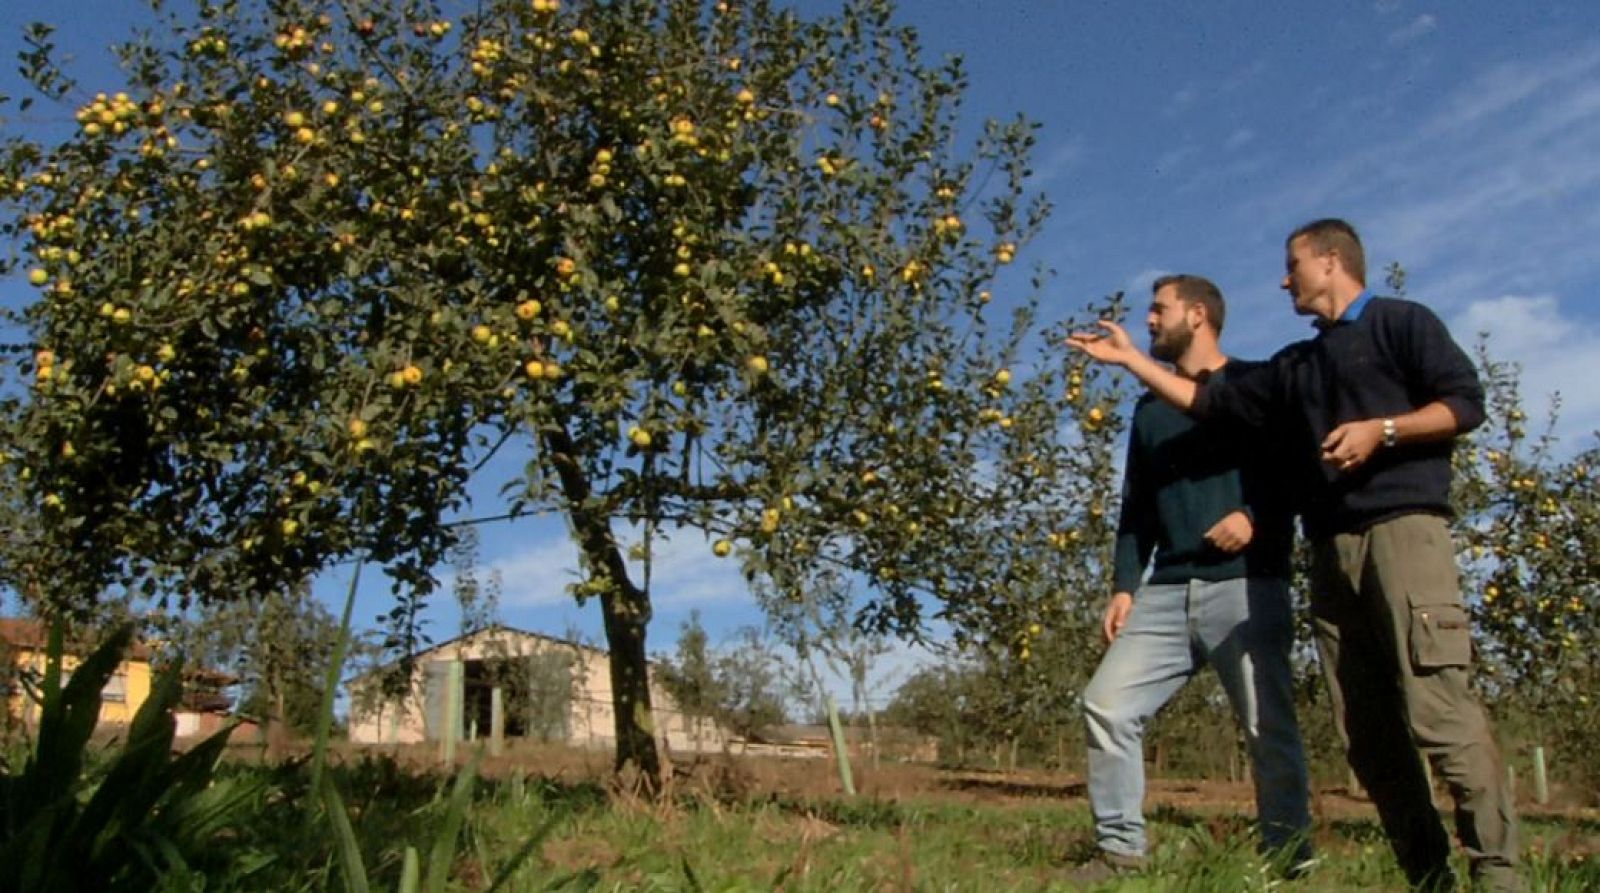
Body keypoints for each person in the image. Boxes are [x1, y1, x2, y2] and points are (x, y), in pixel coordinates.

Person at [1068, 219, 1520, 892]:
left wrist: (1382, 430)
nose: (1283, 279)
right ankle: (1431, 878)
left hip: (1402, 532)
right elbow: (1209, 400)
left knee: (1439, 712)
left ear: (1331, 261)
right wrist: (1133, 361)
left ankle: (1501, 876)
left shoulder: (1400, 323)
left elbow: (1464, 402)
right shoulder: (1297, 367)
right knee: (1365, 734)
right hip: (1328, 550)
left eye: (1292, 265)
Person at [1068, 274, 1313, 882]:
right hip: (1168, 588)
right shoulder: (1150, 411)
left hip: (1245, 582)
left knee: (1267, 726)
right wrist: (1125, 584)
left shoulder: (1255, 385)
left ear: (1198, 314)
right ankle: (1121, 853)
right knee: (1106, 705)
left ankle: (1289, 861)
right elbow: (1138, 505)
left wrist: (1256, 516)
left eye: (1159, 309)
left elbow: (1296, 472)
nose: (1148, 320)